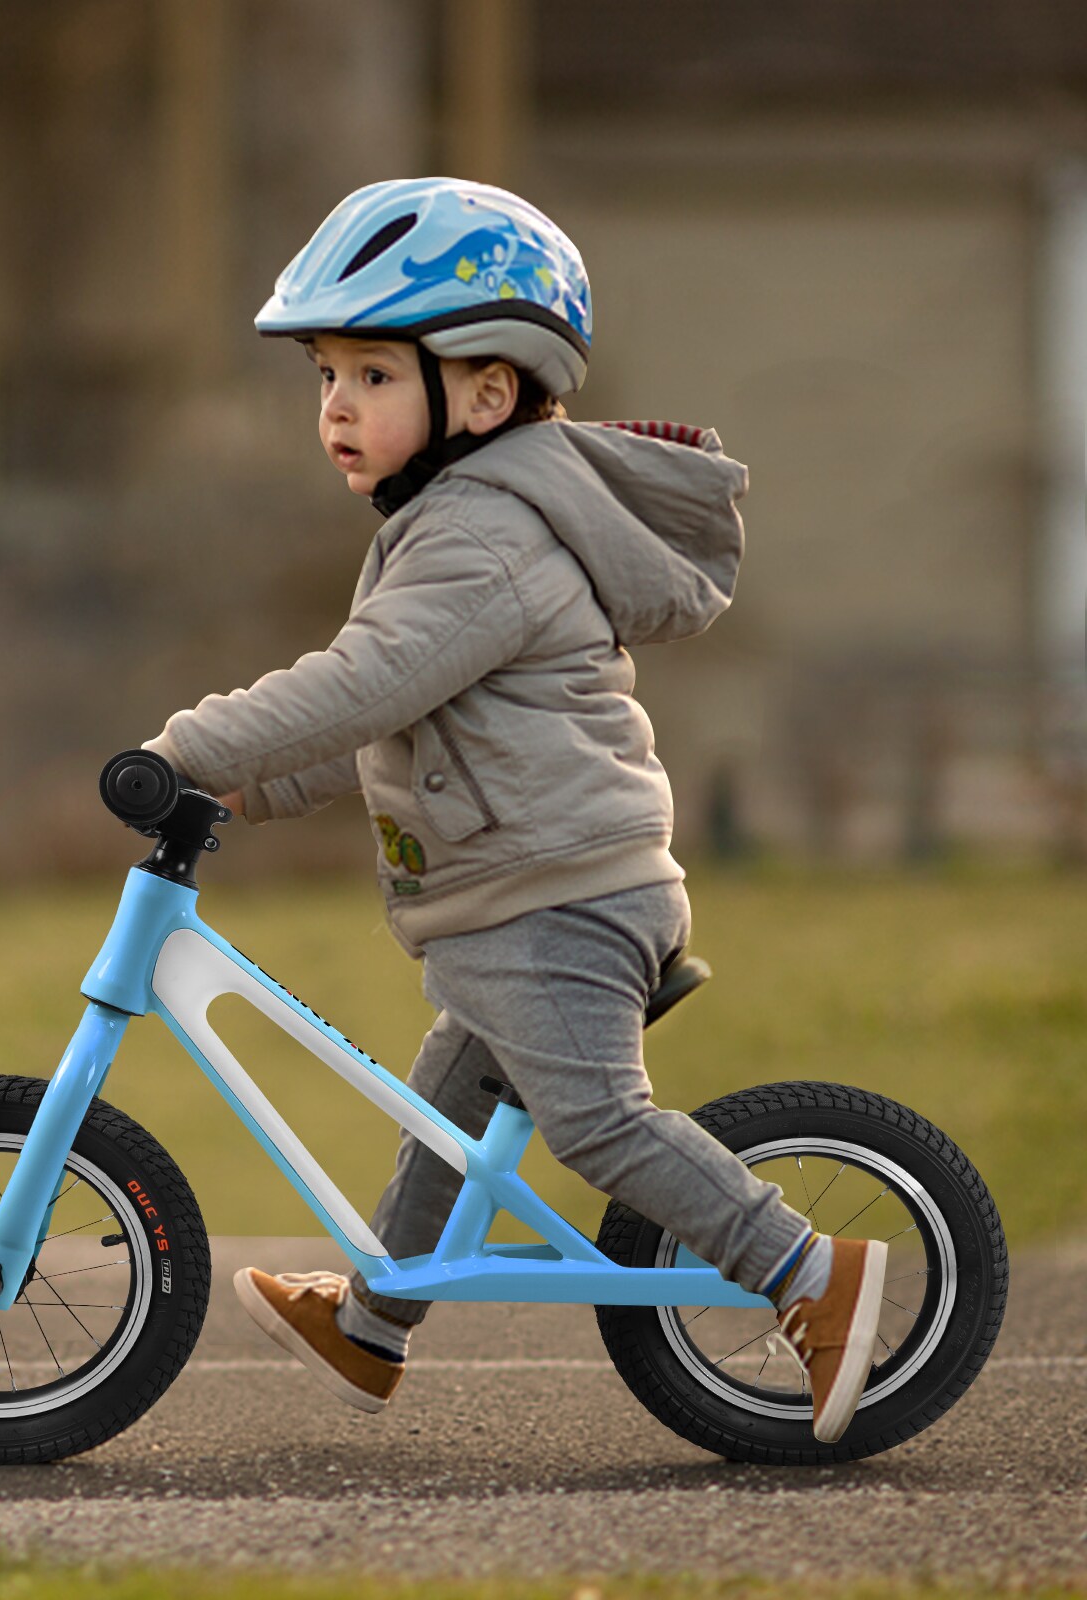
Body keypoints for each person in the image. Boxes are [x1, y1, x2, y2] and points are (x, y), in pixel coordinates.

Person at [140, 177, 885, 1445]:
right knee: (445, 1120)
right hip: (516, 897)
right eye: (325, 374)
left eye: (374, 373)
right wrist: (238, 787)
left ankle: (809, 1273)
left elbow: (360, 683)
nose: (335, 404)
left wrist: (183, 746)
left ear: (485, 393)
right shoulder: (442, 522)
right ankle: (371, 1321)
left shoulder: (482, 538)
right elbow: (389, 717)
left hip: (563, 894)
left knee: (594, 1119)